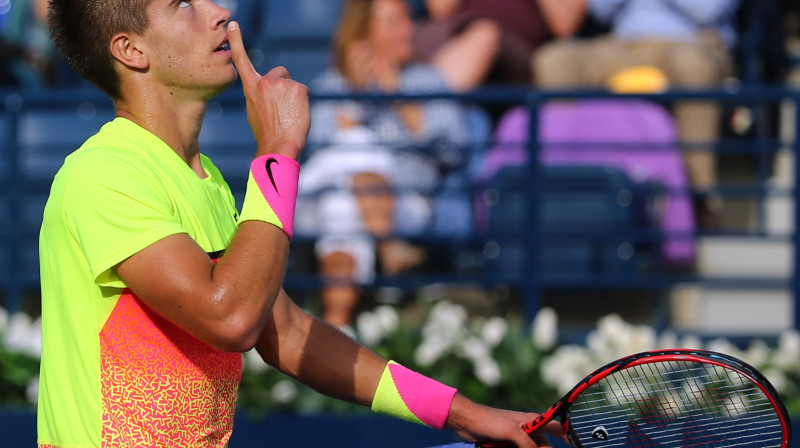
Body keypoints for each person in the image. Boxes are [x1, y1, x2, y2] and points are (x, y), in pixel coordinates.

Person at [37, 1, 561, 447]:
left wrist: (467, 415)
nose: (221, 12)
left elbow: (284, 331)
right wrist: (278, 150)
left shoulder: (209, 182)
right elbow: (232, 319)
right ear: (131, 51)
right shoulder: (104, 175)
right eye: (182, 4)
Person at [298, 0, 472, 328]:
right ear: (363, 31)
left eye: (408, 21)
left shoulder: (427, 81)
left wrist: (396, 95)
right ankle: (389, 246)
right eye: (393, 22)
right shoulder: (333, 85)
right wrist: (355, 92)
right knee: (354, 155)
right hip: (329, 197)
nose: (408, 30)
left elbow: (456, 150)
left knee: (343, 211)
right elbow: (319, 153)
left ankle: (336, 326)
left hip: (405, 203)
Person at [532, 0, 741, 228]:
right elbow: (600, 10)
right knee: (553, 60)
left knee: (692, 66)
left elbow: (705, 10)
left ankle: (699, 197)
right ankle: (560, 184)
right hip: (626, 44)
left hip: (693, 42)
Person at [413, 0, 587, 91]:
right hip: (448, 33)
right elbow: (439, 8)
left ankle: (429, 119)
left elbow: (565, 25)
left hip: (516, 49)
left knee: (485, 34)